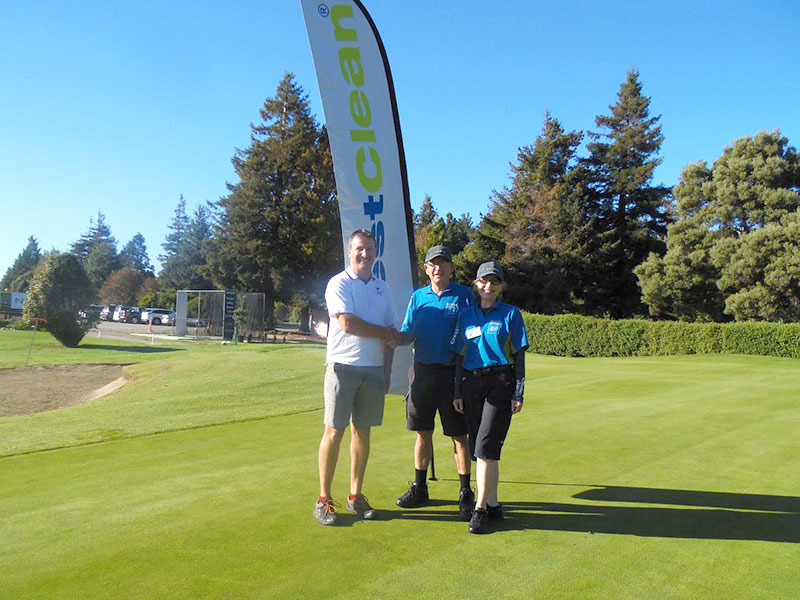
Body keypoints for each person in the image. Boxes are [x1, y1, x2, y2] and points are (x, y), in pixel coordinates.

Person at [314, 229, 399, 525]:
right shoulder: (339, 283)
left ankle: (355, 496)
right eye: (360, 249)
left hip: (373, 370)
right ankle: (324, 500)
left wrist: (387, 371)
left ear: (376, 253)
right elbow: (347, 323)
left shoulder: (382, 289)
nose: (365, 254)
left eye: (370, 249)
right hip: (342, 366)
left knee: (363, 433)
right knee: (334, 431)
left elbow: (390, 336)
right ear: (350, 251)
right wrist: (384, 333)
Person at [392, 245, 475, 519]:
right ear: (426, 269)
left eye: (443, 263)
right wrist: (390, 336)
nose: (438, 268)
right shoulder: (418, 298)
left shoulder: (464, 296)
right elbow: (407, 334)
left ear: (452, 267)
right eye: (432, 264)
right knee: (422, 432)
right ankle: (420, 487)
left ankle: (465, 492)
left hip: (453, 374)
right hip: (422, 371)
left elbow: (474, 333)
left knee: (458, 436)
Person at [450, 261, 529, 534]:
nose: (489, 286)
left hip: (500, 382)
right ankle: (494, 504)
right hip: (472, 383)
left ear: (501, 286)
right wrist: (458, 391)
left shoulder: (510, 314)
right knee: (484, 449)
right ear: (477, 284)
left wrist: (518, 391)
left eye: (495, 281)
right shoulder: (466, 315)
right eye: (484, 281)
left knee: (484, 446)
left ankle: (480, 509)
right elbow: (459, 357)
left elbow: (519, 355)